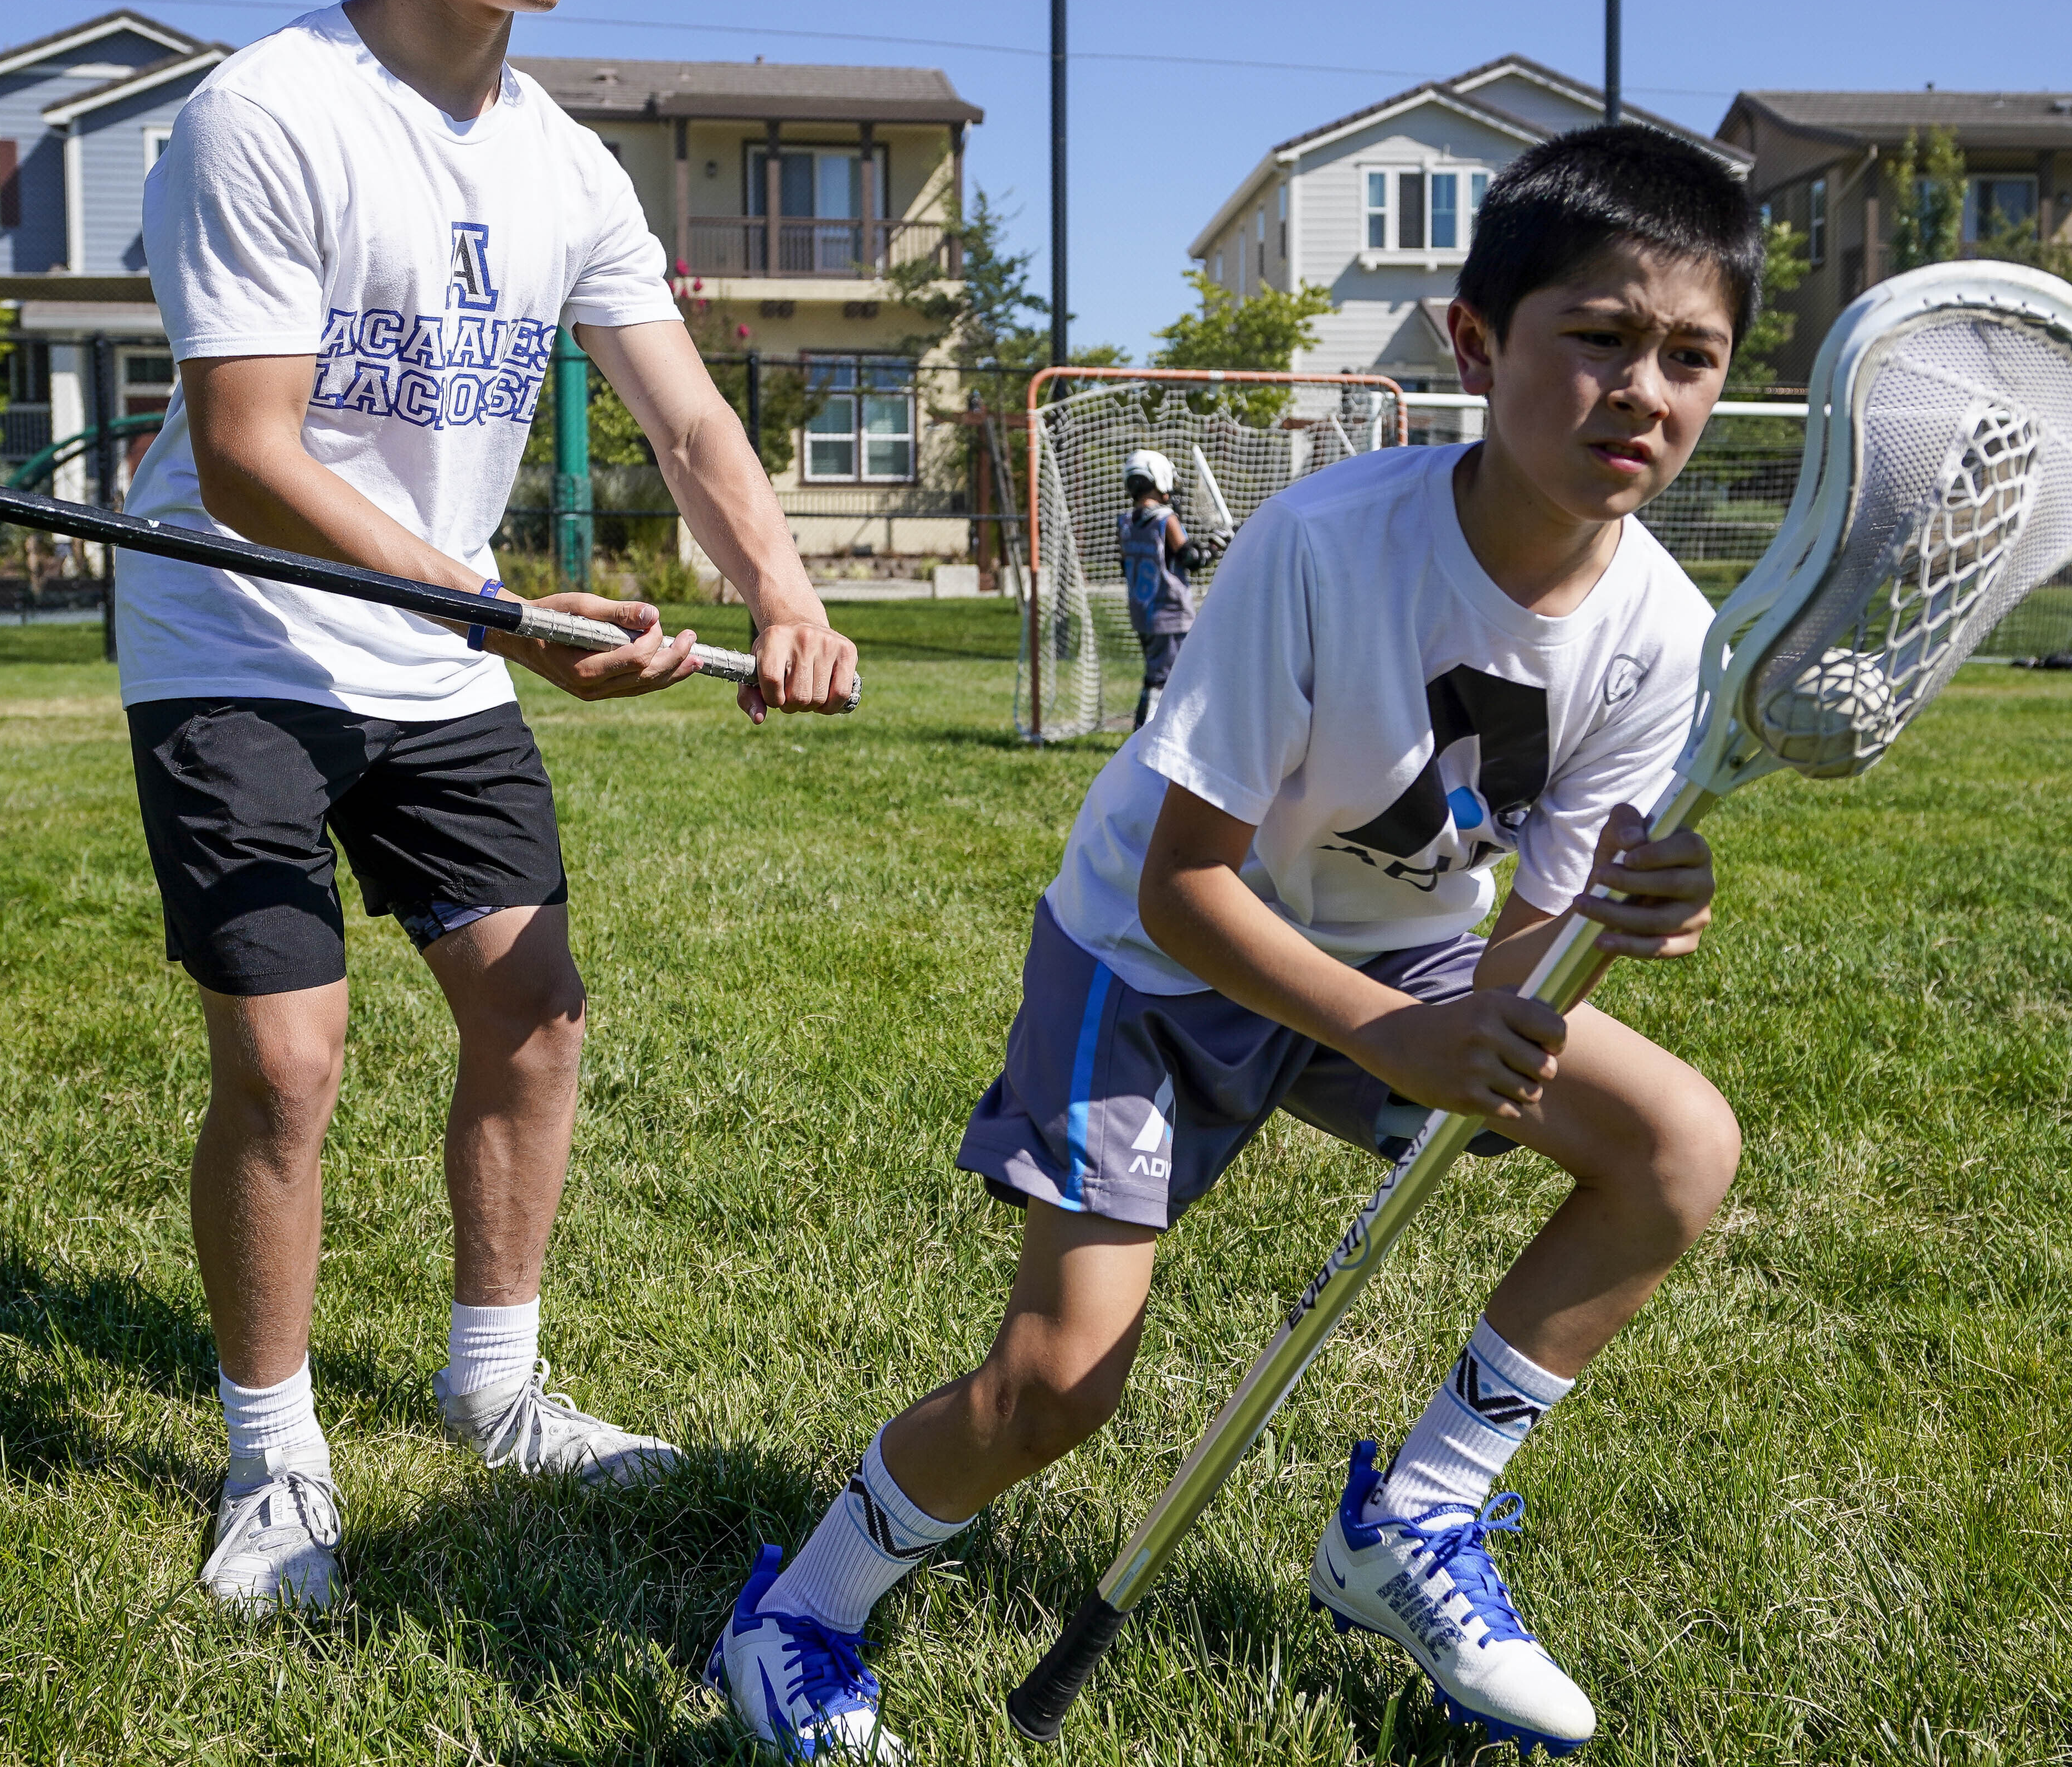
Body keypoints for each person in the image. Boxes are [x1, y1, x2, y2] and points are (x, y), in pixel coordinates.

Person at [710, 126, 1751, 1758]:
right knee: (1057, 1383)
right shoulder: (1328, 548)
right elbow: (1193, 878)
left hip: (1405, 955)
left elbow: (1522, 946)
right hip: (1156, 952)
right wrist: (1391, 1038)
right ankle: (801, 1604)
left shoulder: (1667, 636)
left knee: (1674, 1140)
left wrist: (1603, 933)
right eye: (1600, 338)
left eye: (1691, 355)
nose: (1644, 390)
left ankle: (1412, 1520)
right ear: (1477, 345)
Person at [122, 0, 859, 1616]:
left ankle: (496, 1384)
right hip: (238, 637)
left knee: (531, 1019)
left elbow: (689, 423)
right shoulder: (265, 111)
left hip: (439, 647)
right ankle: (274, 1452)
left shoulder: (562, 161)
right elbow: (247, 454)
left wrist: (778, 585)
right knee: (287, 1062)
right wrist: (505, 616)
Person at [1119, 449, 1201, 727]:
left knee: (1156, 673)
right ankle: (1146, 734)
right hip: (1170, 613)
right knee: (1163, 679)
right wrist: (1217, 544)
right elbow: (1190, 558)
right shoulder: (1166, 519)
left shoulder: (1127, 522)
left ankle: (1153, 729)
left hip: (1143, 612)